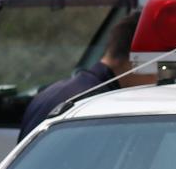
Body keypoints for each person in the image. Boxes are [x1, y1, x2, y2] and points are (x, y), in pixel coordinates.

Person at [16, 11, 144, 140]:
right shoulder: (100, 106)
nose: (160, 78)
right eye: (159, 66)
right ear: (137, 60)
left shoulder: (53, 91)